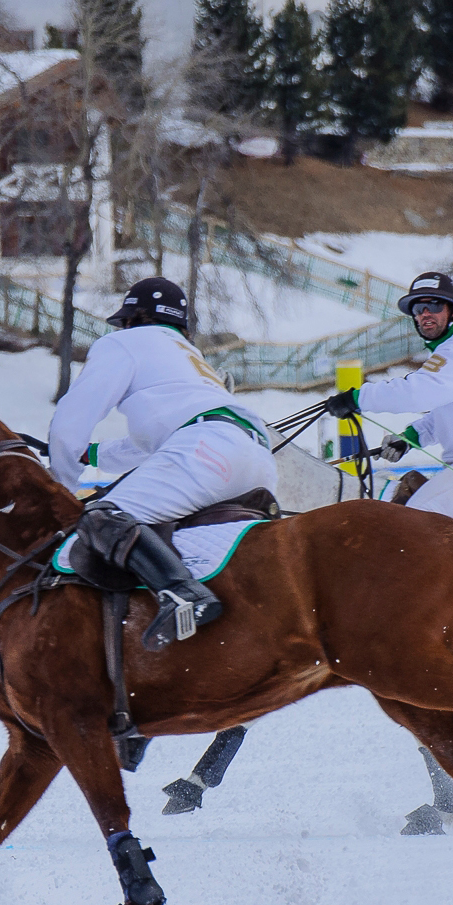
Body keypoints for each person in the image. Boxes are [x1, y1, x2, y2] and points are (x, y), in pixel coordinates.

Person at [48, 276, 279, 651]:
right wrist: (91, 455)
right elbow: (153, 445)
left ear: (132, 319)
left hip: (206, 451)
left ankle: (183, 593)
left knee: (101, 518)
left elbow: (68, 425)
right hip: (255, 459)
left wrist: (61, 487)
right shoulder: (188, 357)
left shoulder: (122, 342)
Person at [328, 271, 453, 524]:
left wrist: (357, 398)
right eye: (418, 308)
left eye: (433, 304)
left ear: (452, 310)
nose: (425, 314)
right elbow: (449, 413)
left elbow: (416, 393)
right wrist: (411, 438)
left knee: (413, 526)